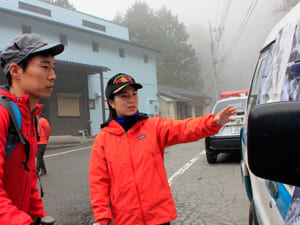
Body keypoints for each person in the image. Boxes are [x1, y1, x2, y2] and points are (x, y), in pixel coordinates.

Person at [89, 73, 237, 225]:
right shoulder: (103, 140)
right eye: (124, 96)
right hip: (126, 220)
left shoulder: (153, 127)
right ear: (111, 102)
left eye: (134, 94)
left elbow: (184, 128)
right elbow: (98, 183)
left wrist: (213, 122)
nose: (131, 100)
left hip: (158, 217)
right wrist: (102, 219)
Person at [0, 33, 64, 224]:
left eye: (53, 68)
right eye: (45, 67)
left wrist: (38, 216)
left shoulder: (30, 116)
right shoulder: (3, 114)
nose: (53, 76)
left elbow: (28, 179)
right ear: (15, 71)